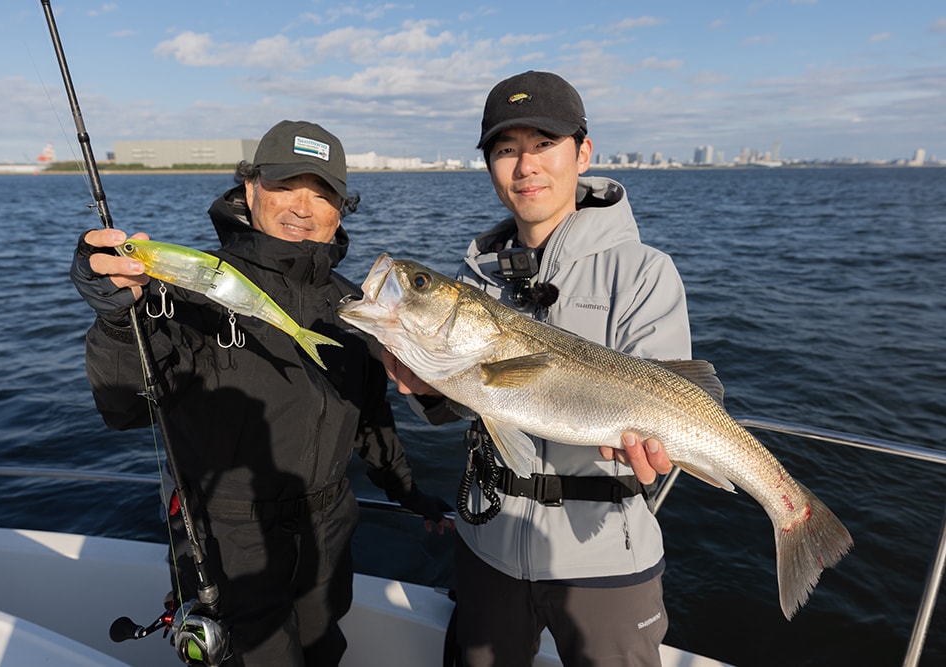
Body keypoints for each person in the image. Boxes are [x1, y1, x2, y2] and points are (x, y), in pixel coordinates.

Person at [70, 120, 452, 667]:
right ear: (249, 191)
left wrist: (408, 492)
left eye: (323, 193)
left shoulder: (356, 310)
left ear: (341, 208)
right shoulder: (189, 288)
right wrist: (114, 319)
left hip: (328, 534)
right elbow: (123, 406)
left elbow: (370, 415)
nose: (303, 206)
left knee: (323, 653)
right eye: (284, 186)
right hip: (226, 540)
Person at [383, 71, 689, 666]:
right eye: (504, 149)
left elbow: (667, 389)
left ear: (583, 152)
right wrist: (420, 381)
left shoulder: (644, 271)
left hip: (606, 559)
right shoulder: (477, 280)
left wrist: (652, 445)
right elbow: (459, 402)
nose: (525, 166)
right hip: (486, 546)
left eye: (543, 143)